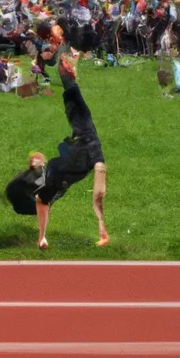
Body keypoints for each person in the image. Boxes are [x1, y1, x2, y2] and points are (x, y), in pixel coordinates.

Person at [26, 52, 108, 250]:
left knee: (41, 198)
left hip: (69, 164)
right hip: (77, 167)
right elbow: (98, 188)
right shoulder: (93, 145)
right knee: (44, 196)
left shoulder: (82, 118)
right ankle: (42, 236)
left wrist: (66, 67)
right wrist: (101, 224)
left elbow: (70, 87)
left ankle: (42, 238)